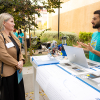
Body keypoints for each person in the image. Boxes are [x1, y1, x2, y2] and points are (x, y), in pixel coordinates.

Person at [0, 13, 25, 100]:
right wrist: (17, 64)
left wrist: (21, 60)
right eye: (11, 22)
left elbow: (19, 50)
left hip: (18, 73)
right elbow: (3, 55)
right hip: (8, 74)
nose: (14, 24)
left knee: (20, 95)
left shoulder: (13, 36)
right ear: (4, 23)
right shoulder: (0, 36)